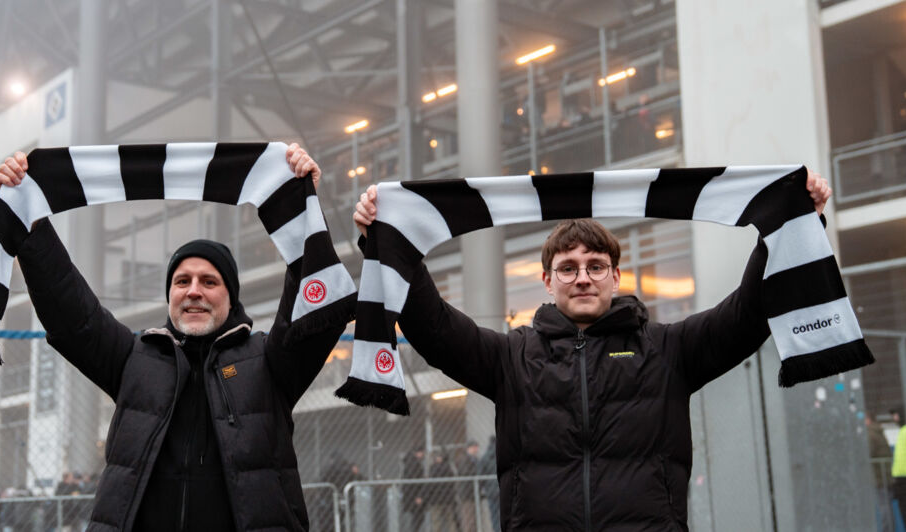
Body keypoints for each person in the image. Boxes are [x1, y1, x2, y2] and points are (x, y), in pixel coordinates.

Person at [353, 171, 832, 530]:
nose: (583, 277)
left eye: (596, 266)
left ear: (615, 277)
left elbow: (748, 314)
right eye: (568, 268)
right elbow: (433, 327)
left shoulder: (668, 349)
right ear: (547, 281)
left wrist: (791, 224)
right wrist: (388, 239)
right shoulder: (510, 358)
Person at [0, 143, 346, 531]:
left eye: (209, 281)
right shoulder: (133, 357)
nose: (193, 291)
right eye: (182, 281)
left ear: (231, 298)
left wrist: (301, 212)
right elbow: (72, 315)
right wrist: (31, 224)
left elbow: (314, 313)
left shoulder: (268, 361)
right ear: (170, 296)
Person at [865, 413, 893, 532]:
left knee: (883, 507)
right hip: (885, 475)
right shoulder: (879, 431)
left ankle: (887, 529)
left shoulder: (870, 433)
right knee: (886, 506)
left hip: (879, 476)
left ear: (868, 419)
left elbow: (867, 452)